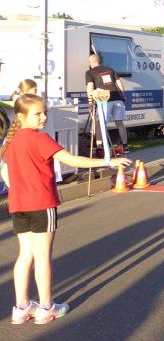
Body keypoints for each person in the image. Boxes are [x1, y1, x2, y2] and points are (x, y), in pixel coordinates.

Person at [0, 94, 130, 325]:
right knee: (42, 257)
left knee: (25, 255)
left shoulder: (12, 141)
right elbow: (73, 160)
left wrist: (16, 190)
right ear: (20, 116)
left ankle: (21, 307)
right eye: (37, 114)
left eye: (45, 112)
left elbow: (5, 171)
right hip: (41, 204)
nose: (43, 117)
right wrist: (108, 162)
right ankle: (46, 307)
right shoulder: (40, 140)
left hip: (19, 205)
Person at [85, 54, 129, 154]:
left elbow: (90, 87)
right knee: (120, 124)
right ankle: (125, 147)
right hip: (117, 98)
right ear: (99, 61)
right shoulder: (110, 69)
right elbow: (119, 83)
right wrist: (122, 96)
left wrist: (90, 102)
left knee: (99, 124)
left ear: (91, 62)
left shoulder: (90, 72)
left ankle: (100, 149)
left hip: (104, 100)